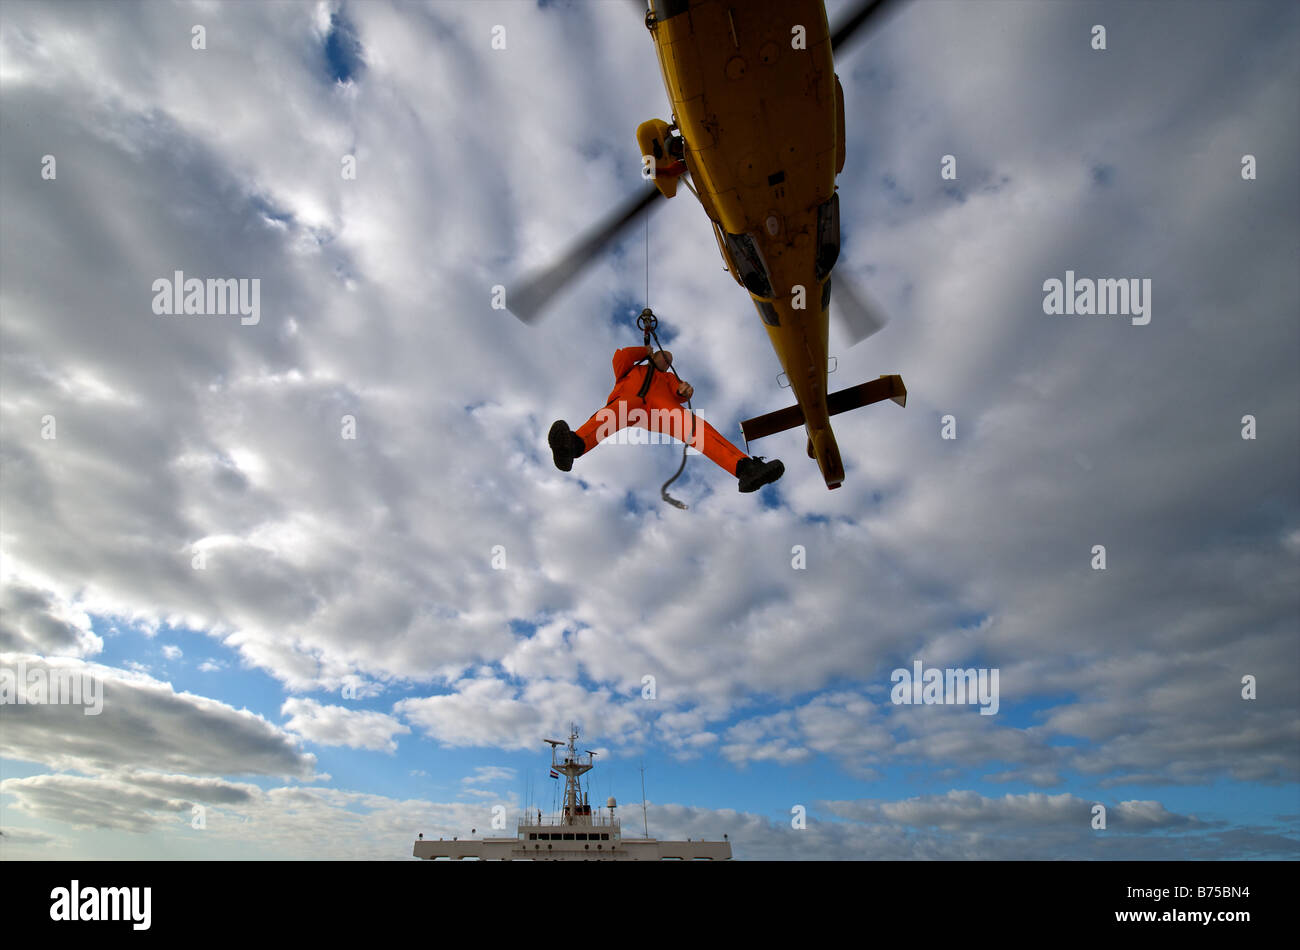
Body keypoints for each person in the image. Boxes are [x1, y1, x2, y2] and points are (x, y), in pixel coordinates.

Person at [548, 344, 784, 493]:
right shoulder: (632, 369)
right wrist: (645, 351)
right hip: (629, 401)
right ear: (655, 355)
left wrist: (685, 391)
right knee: (608, 417)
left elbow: (680, 392)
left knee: (695, 427)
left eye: (670, 361)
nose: (667, 361)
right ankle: (572, 446)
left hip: (659, 409)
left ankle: (744, 468)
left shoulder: (669, 379)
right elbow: (619, 357)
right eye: (664, 357)